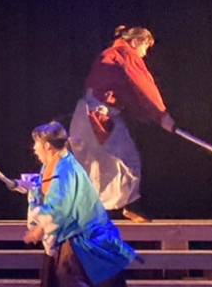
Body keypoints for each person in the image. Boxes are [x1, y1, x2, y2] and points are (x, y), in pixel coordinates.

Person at [24, 122, 138, 287]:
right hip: (72, 229)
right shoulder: (52, 165)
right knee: (53, 272)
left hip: (84, 230)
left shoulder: (67, 170)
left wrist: (39, 229)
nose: (34, 148)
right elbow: (46, 188)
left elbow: (60, 205)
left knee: (67, 272)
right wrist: (29, 187)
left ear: (47, 146)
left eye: (36, 144)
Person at [68, 26, 175, 222]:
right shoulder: (124, 54)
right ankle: (125, 205)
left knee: (97, 166)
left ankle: (91, 211)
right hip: (97, 116)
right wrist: (162, 115)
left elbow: (128, 95)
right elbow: (143, 85)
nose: (145, 54)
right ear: (136, 42)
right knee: (125, 160)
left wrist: (149, 116)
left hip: (88, 114)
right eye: (145, 47)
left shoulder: (112, 55)